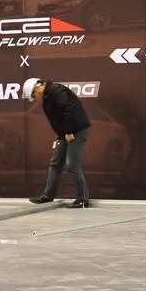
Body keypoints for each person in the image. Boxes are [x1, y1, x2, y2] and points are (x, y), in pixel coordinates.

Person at [23, 78, 92, 208]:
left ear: (37, 88)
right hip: (66, 133)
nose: (35, 98)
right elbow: (58, 118)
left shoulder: (57, 91)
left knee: (72, 164)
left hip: (76, 131)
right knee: (56, 163)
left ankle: (82, 199)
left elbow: (69, 110)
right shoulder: (48, 96)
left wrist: (69, 131)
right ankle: (48, 196)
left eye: (34, 95)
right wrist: (61, 135)